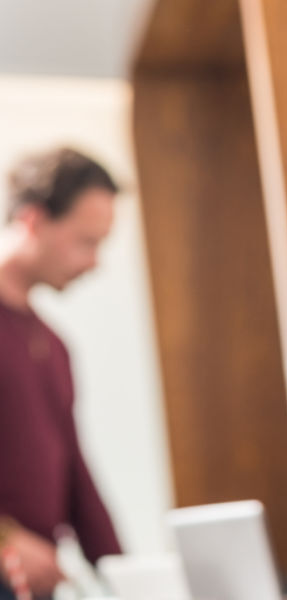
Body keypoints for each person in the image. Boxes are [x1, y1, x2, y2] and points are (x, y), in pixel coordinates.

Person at [0, 147, 122, 599]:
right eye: (85, 242)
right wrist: (5, 541)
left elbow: (74, 473)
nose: (94, 262)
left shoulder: (53, 346)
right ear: (33, 221)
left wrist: (125, 576)